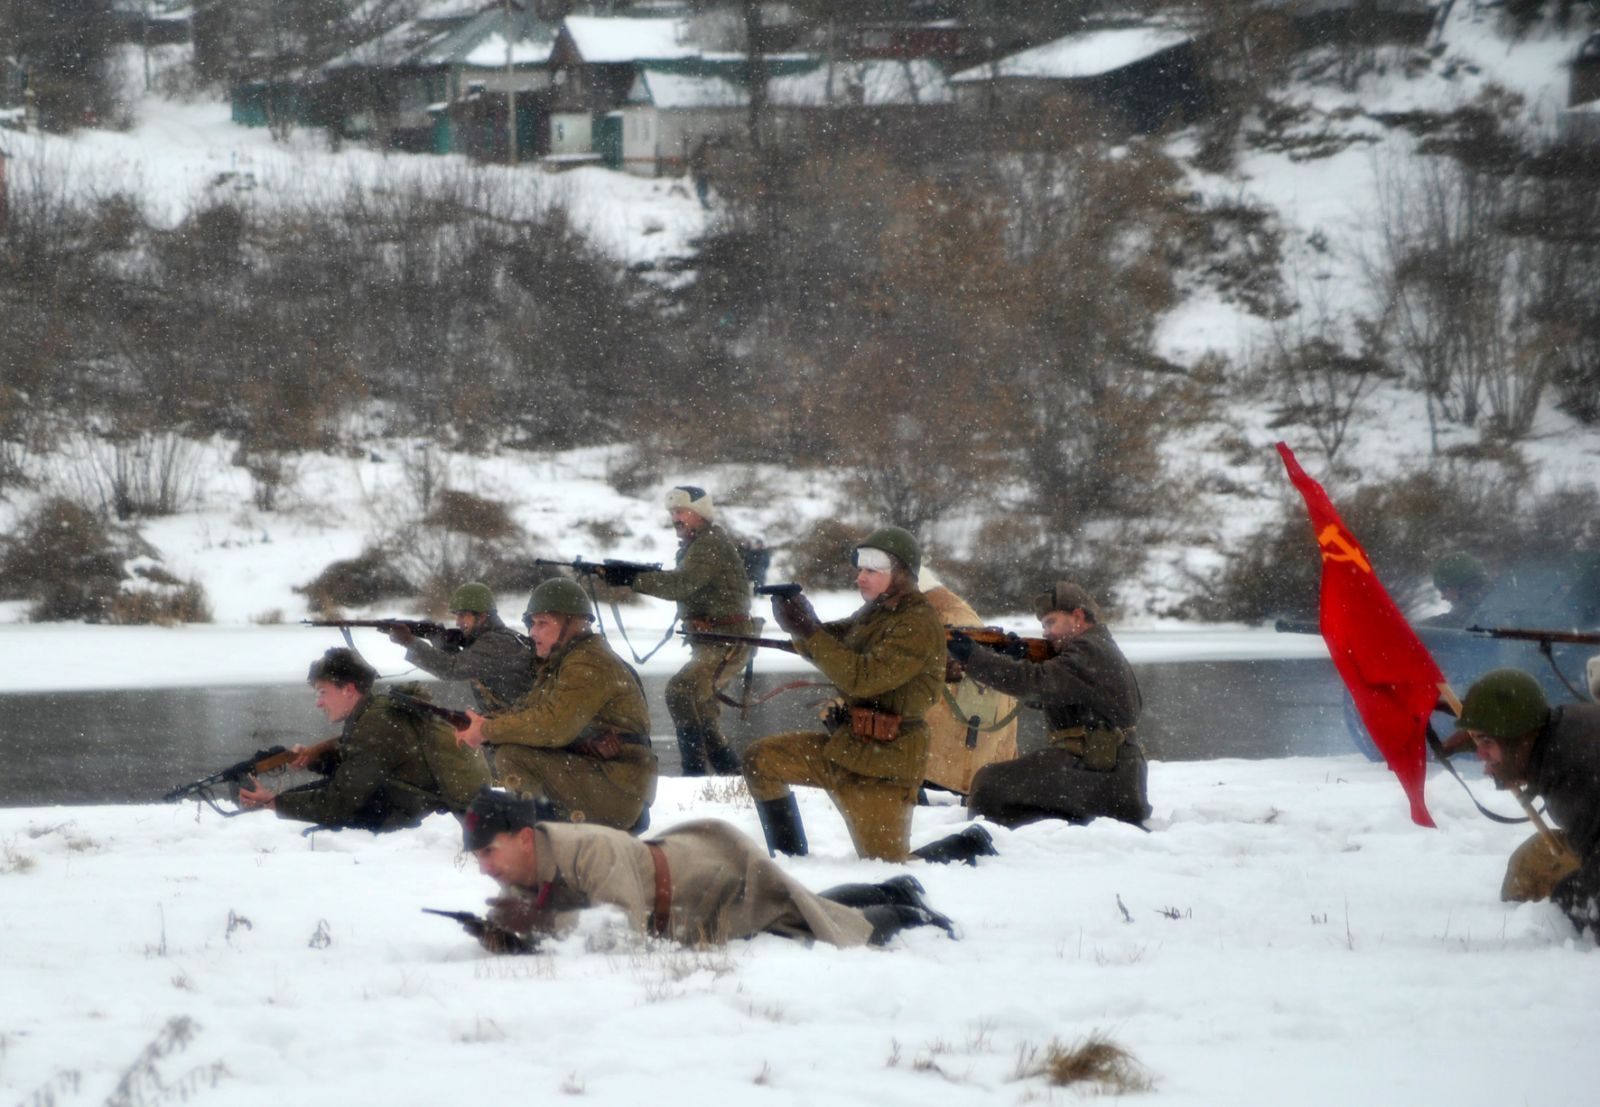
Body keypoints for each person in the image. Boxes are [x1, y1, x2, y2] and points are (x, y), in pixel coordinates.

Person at [741, 526, 992, 864]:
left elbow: (862, 678)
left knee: (887, 865)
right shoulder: (875, 612)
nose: (861, 578)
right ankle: (790, 863)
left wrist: (808, 630)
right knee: (761, 759)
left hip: (886, 766)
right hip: (847, 748)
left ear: (901, 574)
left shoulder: (916, 623)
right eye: (860, 569)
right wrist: (802, 621)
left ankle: (967, 845)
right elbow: (833, 641)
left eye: (872, 570)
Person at [459, 788, 955, 951]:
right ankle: (893, 888)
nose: (486, 869)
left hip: (705, 880)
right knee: (794, 904)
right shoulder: (523, 865)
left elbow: (618, 933)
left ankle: (910, 915)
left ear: (524, 838)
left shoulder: (588, 851)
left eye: (488, 853)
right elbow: (560, 922)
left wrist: (539, 927)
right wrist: (506, 934)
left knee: (814, 922)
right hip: (680, 888)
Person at [455, 578, 657, 833]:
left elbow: (552, 726)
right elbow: (527, 710)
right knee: (515, 741)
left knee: (512, 755)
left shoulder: (587, 663)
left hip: (620, 791)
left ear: (574, 624)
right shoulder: (564, 661)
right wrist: (477, 721)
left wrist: (486, 730)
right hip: (616, 784)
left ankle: (544, 835)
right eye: (532, 623)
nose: (532, 633)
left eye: (542, 623)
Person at [948, 580, 1151, 830]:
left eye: (1051, 623)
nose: (1045, 633)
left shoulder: (1089, 651)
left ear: (1077, 616)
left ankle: (1033, 832)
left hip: (1105, 776)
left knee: (989, 786)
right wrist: (1016, 657)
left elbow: (1037, 682)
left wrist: (974, 657)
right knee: (992, 785)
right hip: (1114, 778)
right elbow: (1048, 693)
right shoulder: (1095, 646)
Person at [237, 647, 490, 831]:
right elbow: (355, 765)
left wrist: (273, 803)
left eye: (323, 692)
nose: (319, 703)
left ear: (348, 689)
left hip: (414, 812)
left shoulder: (375, 725)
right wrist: (311, 760)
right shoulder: (375, 710)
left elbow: (339, 803)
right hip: (417, 802)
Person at [616, 486, 755, 777]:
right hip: (713, 641)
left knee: (681, 692)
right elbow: (684, 582)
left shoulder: (709, 544)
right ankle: (730, 773)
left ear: (700, 514)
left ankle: (693, 772)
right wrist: (631, 574)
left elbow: (682, 584)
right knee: (702, 709)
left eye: (681, 512)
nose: (675, 518)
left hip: (727, 640)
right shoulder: (697, 545)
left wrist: (633, 579)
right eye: (672, 513)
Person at [1452, 668, 1600, 934]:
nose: (1481, 754)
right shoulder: (1567, 733)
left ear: (1518, 737)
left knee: (1570, 902)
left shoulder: (1572, 775)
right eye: (1475, 740)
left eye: (1486, 740)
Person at [917, 568, 1019, 797]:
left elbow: (975, 701)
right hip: (962, 760)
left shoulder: (949, 618)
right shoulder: (936, 612)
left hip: (955, 766)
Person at [386, 581, 534, 714]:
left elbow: (452, 668)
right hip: (516, 723)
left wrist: (410, 642)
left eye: (463, 616)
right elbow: (461, 662)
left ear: (482, 617)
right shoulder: (502, 637)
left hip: (522, 728)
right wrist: (437, 638)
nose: (457, 622)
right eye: (457, 616)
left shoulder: (496, 642)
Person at [1421, 552, 1491, 628]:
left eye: (1444, 590)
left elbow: (1456, 621)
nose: (1443, 597)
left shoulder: (1469, 616)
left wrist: (1421, 629)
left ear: (1465, 587)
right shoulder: (1494, 602)